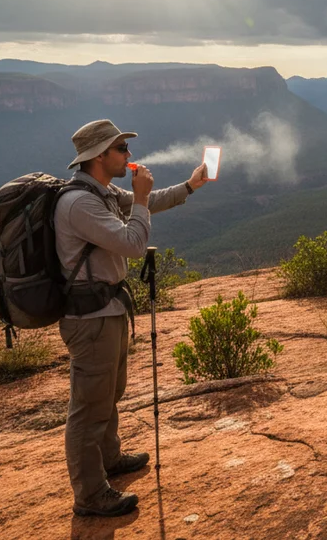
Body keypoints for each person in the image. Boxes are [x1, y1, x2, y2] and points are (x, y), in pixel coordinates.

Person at [55, 119, 208, 517]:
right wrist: (139, 199)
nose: (129, 155)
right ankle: (90, 495)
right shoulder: (80, 203)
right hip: (90, 317)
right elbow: (134, 243)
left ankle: (109, 459)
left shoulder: (101, 192)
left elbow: (149, 203)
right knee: (88, 408)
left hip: (109, 310)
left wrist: (190, 186)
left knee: (110, 393)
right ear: (99, 156)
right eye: (121, 149)